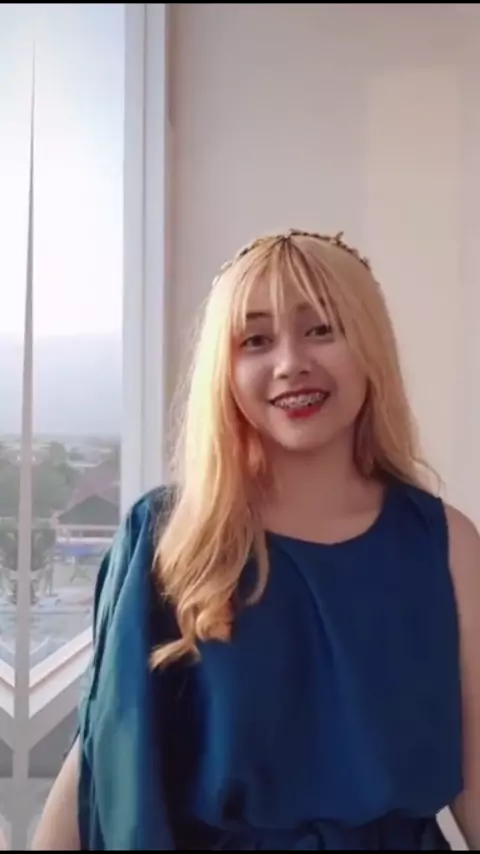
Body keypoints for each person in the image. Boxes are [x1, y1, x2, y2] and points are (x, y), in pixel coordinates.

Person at [32, 229, 480, 850]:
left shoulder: (445, 543)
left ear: (371, 344)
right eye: (257, 340)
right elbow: (106, 748)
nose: (291, 362)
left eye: (321, 328)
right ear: (226, 368)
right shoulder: (166, 537)